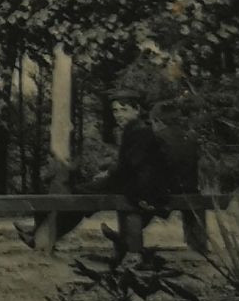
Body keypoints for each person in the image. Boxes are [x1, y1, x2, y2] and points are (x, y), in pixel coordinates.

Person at [17, 78, 201, 255]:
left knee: (78, 196)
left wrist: (108, 175)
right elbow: (134, 163)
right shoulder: (140, 129)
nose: (118, 114)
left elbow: (133, 168)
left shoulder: (142, 131)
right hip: (134, 183)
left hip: (135, 187)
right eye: (115, 110)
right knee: (79, 197)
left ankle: (42, 234)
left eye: (123, 109)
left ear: (136, 110)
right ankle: (40, 233)